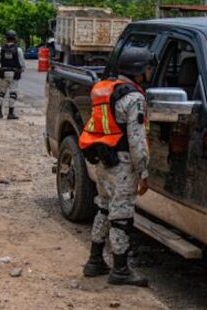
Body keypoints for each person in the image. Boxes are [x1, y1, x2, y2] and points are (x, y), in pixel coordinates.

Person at [79, 47, 155, 287]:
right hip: (123, 165)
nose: (150, 72)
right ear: (139, 70)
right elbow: (136, 139)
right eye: (148, 68)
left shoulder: (106, 90)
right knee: (121, 215)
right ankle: (120, 269)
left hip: (104, 160)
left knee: (103, 207)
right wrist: (143, 172)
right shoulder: (134, 99)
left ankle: (95, 261)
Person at [0, 30, 25, 120]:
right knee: (13, 93)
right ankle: (10, 113)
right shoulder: (18, 50)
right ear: (15, 38)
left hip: (3, 73)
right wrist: (21, 70)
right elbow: (22, 63)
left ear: (6, 38)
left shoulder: (1, 49)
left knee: (1, 92)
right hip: (14, 74)